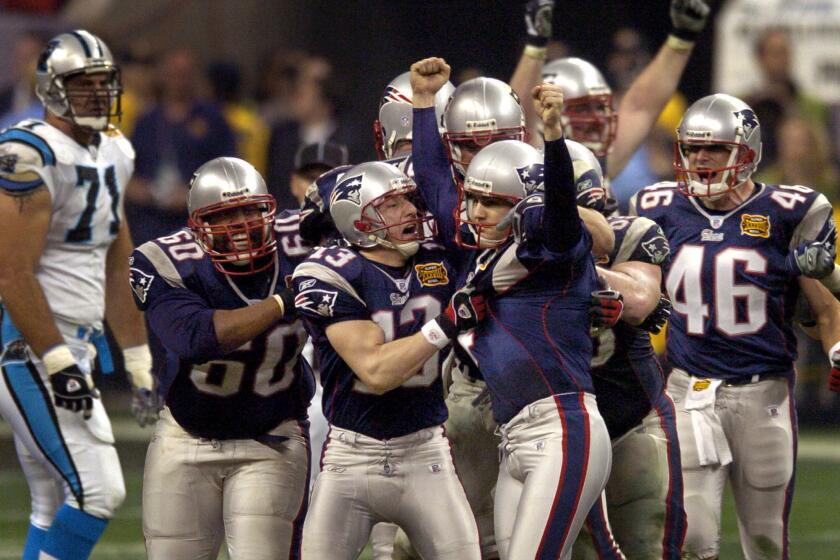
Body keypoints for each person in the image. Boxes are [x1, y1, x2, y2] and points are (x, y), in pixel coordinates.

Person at [630, 93, 839, 560]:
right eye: (693, 148)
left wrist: (836, 346)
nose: (701, 159)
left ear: (746, 152)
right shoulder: (657, 205)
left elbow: (823, 308)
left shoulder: (789, 210)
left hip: (763, 390)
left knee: (765, 541)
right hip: (688, 389)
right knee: (692, 541)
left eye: (715, 149)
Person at [0, 30, 157, 560]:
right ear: (51, 89)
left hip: (76, 339)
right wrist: (58, 358)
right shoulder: (26, 154)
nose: (96, 94)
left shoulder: (115, 150)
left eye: (102, 83)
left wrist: (137, 359)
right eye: (81, 84)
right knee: (98, 491)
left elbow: (117, 257)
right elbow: (11, 274)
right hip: (25, 341)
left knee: (51, 500)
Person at [293, 161, 482, 560]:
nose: (411, 211)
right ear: (358, 220)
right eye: (392, 204)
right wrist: (445, 325)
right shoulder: (329, 271)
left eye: (409, 200)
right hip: (350, 456)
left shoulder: (439, 259)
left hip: (425, 451)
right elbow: (376, 372)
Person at [129, 157, 314, 560]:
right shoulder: (164, 260)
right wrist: (284, 301)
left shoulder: (301, 239)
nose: (244, 224)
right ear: (197, 226)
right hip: (186, 438)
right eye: (227, 215)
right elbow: (196, 339)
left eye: (252, 210)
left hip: (271, 436)